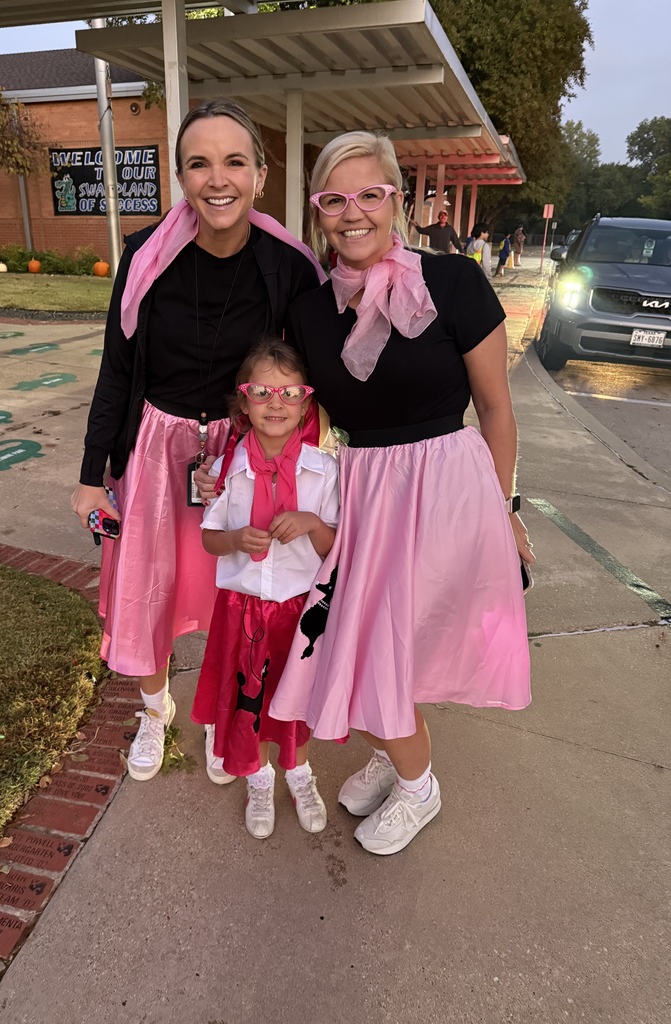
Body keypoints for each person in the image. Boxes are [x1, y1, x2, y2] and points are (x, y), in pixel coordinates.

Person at [266, 130, 534, 857]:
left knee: (401, 640)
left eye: (370, 195)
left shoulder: (453, 283)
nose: (353, 213)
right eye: (334, 199)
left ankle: (418, 784)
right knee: (368, 641)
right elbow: (295, 407)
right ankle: (399, 754)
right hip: (367, 492)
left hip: (449, 488)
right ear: (318, 210)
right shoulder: (309, 309)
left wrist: (505, 509)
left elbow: (497, 410)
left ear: (397, 201)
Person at [70, 100, 324, 785]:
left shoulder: (289, 267)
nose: (219, 179)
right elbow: (117, 370)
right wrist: (94, 475)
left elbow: (316, 374)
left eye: (235, 161)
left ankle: (221, 722)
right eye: (199, 163)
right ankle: (155, 712)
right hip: (157, 449)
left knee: (235, 599)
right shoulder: (147, 256)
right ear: (182, 177)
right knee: (146, 593)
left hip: (243, 455)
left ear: (261, 175)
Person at [191, 339, 339, 839]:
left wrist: (312, 522)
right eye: (262, 391)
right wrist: (234, 539)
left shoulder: (324, 471)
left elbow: (335, 548)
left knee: (294, 703)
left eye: (289, 393)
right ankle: (259, 777)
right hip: (242, 609)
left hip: (299, 614)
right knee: (249, 702)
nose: (276, 403)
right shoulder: (226, 470)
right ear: (243, 401)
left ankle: (299, 771)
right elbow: (210, 537)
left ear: (306, 402)